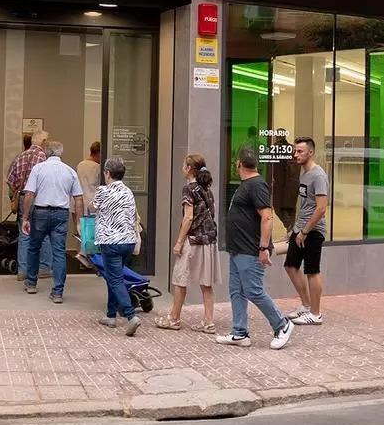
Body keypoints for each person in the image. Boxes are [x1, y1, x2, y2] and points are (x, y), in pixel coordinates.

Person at [217, 147, 295, 350]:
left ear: (238, 164)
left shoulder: (257, 185)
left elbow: (267, 217)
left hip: (249, 250)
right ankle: (239, 333)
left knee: (253, 290)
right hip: (238, 249)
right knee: (237, 291)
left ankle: (282, 325)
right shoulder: (248, 184)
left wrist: (263, 248)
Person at [156, 154, 218, 332]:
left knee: (180, 279)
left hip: (193, 239)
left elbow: (188, 217)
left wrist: (179, 242)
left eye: (184, 165)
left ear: (189, 168)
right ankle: (209, 322)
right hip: (209, 239)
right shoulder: (207, 189)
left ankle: (174, 318)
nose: (182, 168)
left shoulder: (189, 189)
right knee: (206, 283)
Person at [21, 140, 85, 303]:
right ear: (61, 153)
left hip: (41, 213)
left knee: (34, 248)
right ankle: (57, 292)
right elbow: (78, 198)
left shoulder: (38, 169)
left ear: (46, 152)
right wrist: (79, 222)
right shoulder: (70, 171)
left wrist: (25, 217)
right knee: (59, 252)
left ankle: (31, 283)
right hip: (61, 214)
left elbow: (29, 194)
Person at [92, 157, 142, 336]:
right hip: (128, 241)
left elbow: (92, 208)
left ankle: (130, 316)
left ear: (107, 173)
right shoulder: (128, 191)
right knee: (114, 276)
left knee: (115, 279)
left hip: (110, 242)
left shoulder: (103, 191)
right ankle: (110, 315)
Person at [284, 137, 329, 326]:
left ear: (311, 152)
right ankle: (306, 305)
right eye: (295, 151)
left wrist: (304, 232)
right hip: (301, 227)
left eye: (300, 151)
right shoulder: (304, 174)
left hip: (313, 230)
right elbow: (304, 205)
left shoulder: (318, 176)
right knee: (290, 266)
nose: (296, 155)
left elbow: (321, 208)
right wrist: (295, 229)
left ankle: (316, 314)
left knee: (312, 270)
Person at [7, 130, 52, 281]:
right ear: (44, 142)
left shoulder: (20, 156)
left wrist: (18, 191)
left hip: (22, 197)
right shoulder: (44, 157)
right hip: (39, 198)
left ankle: (23, 271)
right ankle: (44, 268)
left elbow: (10, 180)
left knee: (24, 234)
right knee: (43, 233)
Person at [76, 142, 103, 213]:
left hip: (80, 201)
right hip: (92, 202)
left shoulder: (80, 165)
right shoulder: (98, 167)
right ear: (99, 153)